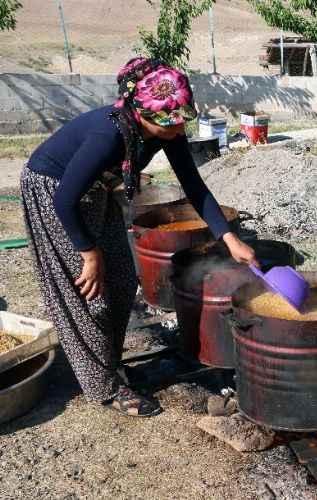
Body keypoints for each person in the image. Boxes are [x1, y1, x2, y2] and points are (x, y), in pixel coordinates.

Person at [20, 58, 259, 418]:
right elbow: (64, 200)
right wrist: (89, 253)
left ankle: (108, 363)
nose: (179, 131)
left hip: (96, 192)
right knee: (89, 294)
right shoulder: (108, 136)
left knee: (120, 280)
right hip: (56, 195)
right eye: (170, 124)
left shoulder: (168, 130)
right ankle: (104, 387)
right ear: (141, 114)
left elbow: (195, 187)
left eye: (181, 122)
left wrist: (229, 238)